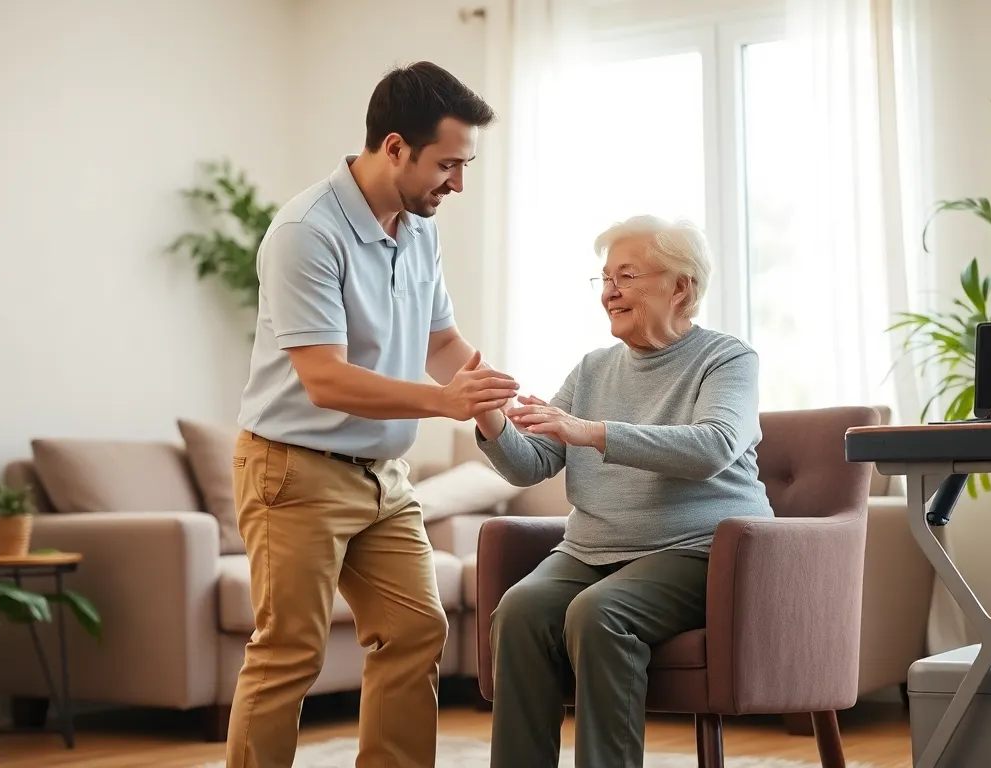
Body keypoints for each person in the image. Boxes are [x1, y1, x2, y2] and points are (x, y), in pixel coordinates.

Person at [227, 61, 518, 768]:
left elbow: (440, 344)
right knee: (289, 652)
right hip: (295, 472)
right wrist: (444, 404)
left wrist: (501, 400)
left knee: (416, 629)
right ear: (394, 147)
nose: (457, 184)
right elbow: (324, 379)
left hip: (383, 476)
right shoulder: (306, 232)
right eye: (447, 165)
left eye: (465, 165)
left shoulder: (419, 230)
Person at [473, 215, 773, 768]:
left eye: (626, 276)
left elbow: (713, 445)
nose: (609, 291)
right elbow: (532, 463)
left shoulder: (727, 358)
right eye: (605, 278)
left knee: (600, 614)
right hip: (590, 550)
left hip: (696, 550)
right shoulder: (592, 369)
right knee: (519, 611)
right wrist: (490, 416)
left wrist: (591, 431)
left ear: (680, 286)